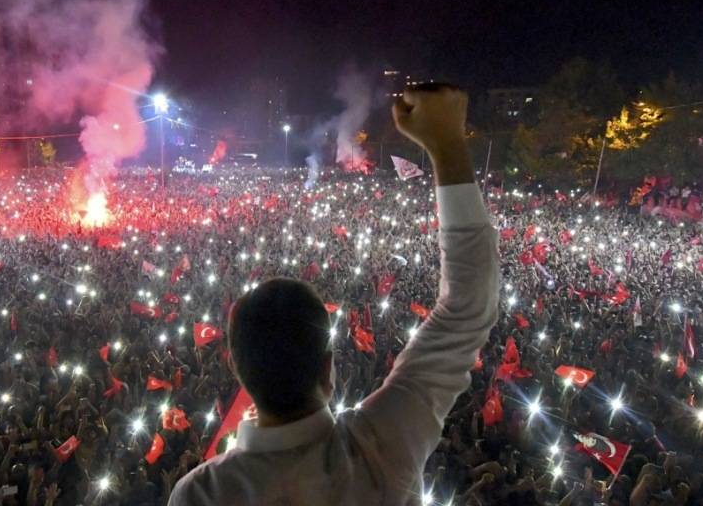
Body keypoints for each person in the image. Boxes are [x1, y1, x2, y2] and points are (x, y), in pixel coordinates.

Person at [169, 84, 501, 505]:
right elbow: (467, 306)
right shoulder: (384, 443)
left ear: (236, 368)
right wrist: (448, 144)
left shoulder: (201, 494)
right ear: (329, 368)